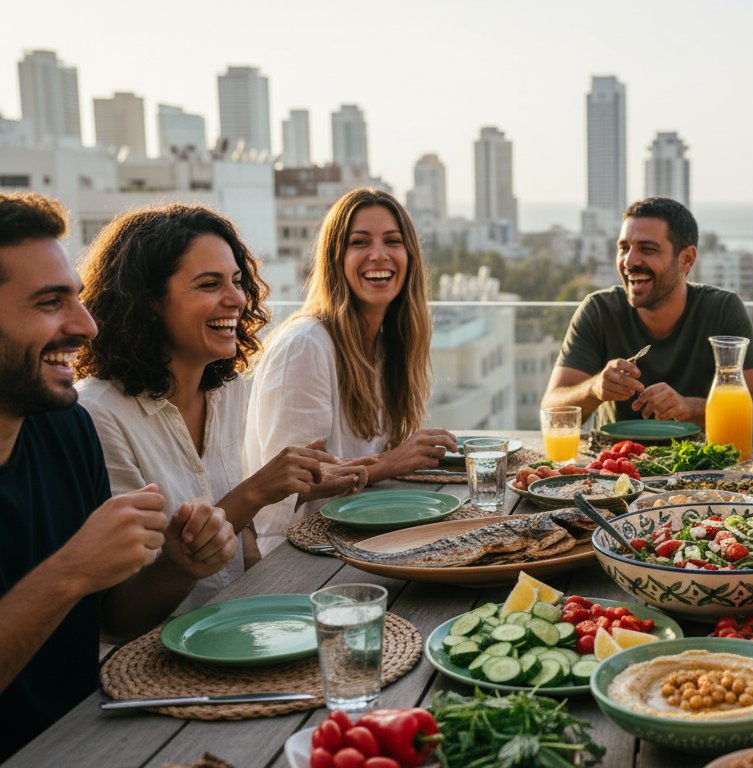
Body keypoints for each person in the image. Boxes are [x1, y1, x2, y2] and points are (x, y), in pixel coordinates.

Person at [0, 192, 236, 760]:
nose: (85, 325)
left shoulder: (67, 430)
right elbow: (73, 582)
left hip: (95, 734)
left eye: (77, 300)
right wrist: (71, 571)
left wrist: (179, 567)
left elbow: (113, 617)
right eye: (49, 302)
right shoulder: (96, 414)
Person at [74, 205, 368, 609]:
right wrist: (255, 493)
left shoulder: (225, 388)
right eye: (210, 284)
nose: (237, 299)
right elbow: (118, 610)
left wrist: (279, 607)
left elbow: (243, 541)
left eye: (236, 281)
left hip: (233, 621)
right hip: (146, 655)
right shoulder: (96, 416)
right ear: (148, 301)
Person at [245, 188, 455, 554]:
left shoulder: (388, 345)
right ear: (335, 259)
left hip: (357, 539)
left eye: (393, 241)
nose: (379, 255)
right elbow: (289, 488)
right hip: (297, 554)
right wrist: (389, 463)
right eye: (360, 242)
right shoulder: (305, 346)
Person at [542, 197, 753, 429]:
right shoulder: (598, 310)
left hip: (703, 460)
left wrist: (691, 408)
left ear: (686, 259)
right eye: (624, 248)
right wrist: (593, 389)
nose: (629, 261)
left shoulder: (723, 309)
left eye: (647, 249)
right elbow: (551, 414)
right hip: (616, 462)